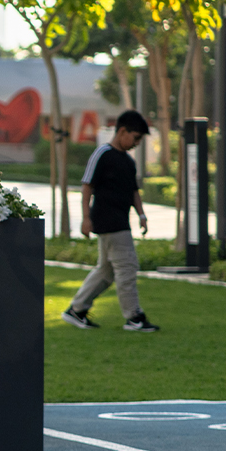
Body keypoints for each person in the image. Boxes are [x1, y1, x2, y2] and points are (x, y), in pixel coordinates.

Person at [62, 110, 158, 332]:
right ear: (122, 131)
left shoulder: (128, 161)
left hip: (121, 221)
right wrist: (86, 219)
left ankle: (76, 310)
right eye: (135, 138)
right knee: (127, 267)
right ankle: (134, 317)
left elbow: (134, 191)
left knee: (106, 271)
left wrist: (142, 215)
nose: (136, 144)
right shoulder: (102, 154)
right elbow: (87, 186)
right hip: (108, 221)